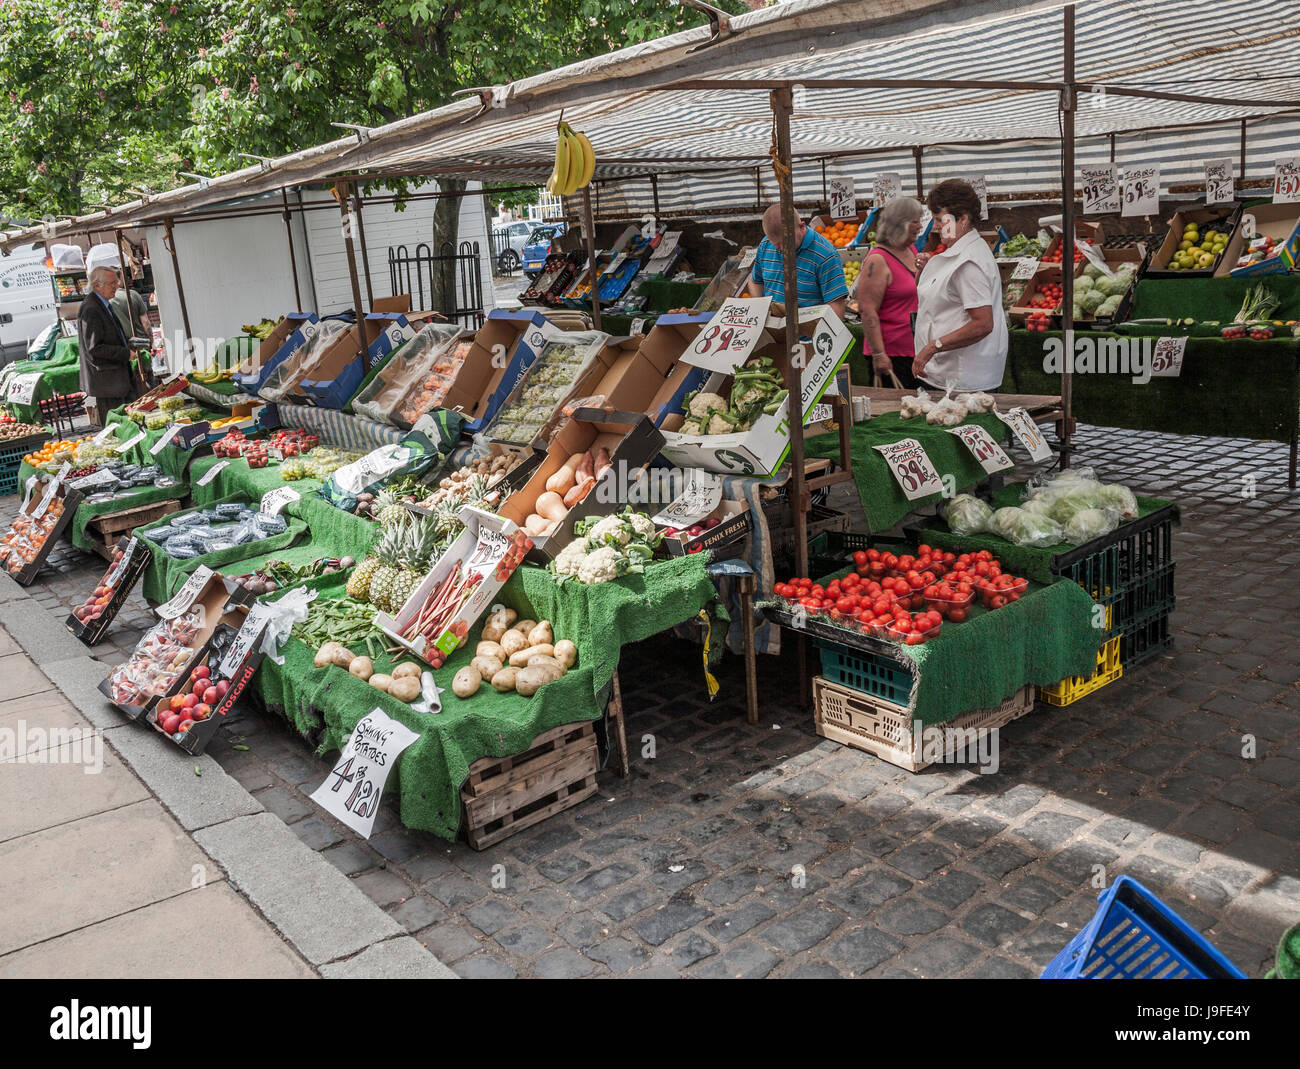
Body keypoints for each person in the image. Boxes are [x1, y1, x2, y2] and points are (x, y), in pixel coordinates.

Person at [912, 179, 1008, 392]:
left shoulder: (969, 262)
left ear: (963, 219)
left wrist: (932, 347)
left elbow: (982, 324)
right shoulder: (962, 251)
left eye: (939, 220)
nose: (935, 226)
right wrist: (928, 269)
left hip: (962, 380)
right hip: (950, 374)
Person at [857, 196, 923, 388]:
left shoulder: (911, 250)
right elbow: (867, 310)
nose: (920, 226)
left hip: (915, 350)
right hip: (892, 355)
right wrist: (879, 355)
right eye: (915, 221)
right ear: (899, 224)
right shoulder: (877, 260)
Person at [746, 204, 849, 317]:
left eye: (786, 243)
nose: (781, 249)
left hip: (809, 331)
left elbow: (836, 305)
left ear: (801, 226)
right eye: (776, 244)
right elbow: (756, 281)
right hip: (772, 328)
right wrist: (761, 308)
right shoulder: (765, 245)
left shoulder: (825, 255)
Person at [77, 265, 146, 421]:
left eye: (117, 282)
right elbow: (95, 348)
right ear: (96, 285)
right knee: (117, 423)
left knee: (128, 420)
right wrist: (125, 353)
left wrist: (128, 343)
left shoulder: (102, 304)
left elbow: (109, 337)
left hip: (115, 379)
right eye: (112, 283)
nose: (117, 286)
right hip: (108, 381)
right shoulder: (91, 308)